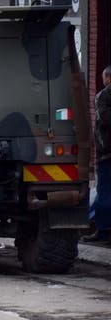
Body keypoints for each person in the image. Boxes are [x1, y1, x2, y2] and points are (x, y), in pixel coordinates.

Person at [84, 65, 111, 243]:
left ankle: (104, 230)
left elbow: (104, 119)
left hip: (107, 154)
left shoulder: (103, 96)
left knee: (105, 192)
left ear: (108, 77)